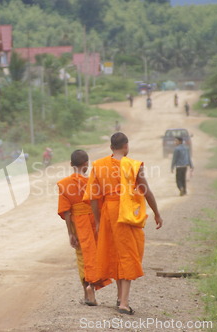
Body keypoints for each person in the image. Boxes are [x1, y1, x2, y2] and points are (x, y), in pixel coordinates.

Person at [83, 132, 163, 315]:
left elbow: (94, 198)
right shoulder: (134, 166)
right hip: (127, 213)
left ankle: (120, 296)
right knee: (127, 254)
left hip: (108, 213)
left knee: (116, 253)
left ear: (111, 147)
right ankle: (124, 304)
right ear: (126, 146)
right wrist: (157, 213)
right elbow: (147, 192)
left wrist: (97, 220)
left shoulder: (98, 165)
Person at [57, 150, 111, 306]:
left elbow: (66, 211)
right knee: (95, 255)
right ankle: (91, 289)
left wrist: (70, 233)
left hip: (78, 224)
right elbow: (101, 203)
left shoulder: (65, 184)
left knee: (83, 258)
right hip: (94, 222)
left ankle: (88, 292)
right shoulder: (93, 182)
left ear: (71, 165)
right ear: (86, 164)